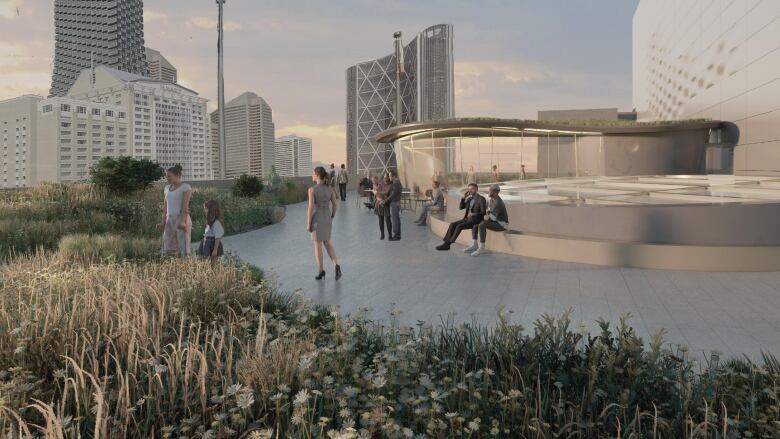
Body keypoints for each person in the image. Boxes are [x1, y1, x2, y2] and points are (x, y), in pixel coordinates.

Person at [307, 166, 342, 280]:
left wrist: (308, 224)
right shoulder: (330, 188)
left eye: (313, 173)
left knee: (318, 245)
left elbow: (311, 208)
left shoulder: (312, 190)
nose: (311, 175)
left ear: (317, 175)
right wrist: (332, 215)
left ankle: (321, 271)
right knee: (328, 243)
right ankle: (336, 265)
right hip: (327, 216)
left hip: (317, 218)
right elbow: (335, 204)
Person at [435, 183, 486, 251]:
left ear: (476, 189)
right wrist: (464, 198)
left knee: (459, 226)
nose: (470, 190)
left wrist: (474, 214)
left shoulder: (481, 199)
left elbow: (483, 212)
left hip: (476, 220)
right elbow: (461, 207)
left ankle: (448, 244)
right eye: (469, 189)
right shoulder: (470, 198)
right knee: (452, 224)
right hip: (467, 219)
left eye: (472, 189)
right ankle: (446, 243)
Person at [156, 164, 192, 256]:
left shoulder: (185, 187)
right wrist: (162, 222)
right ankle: (173, 266)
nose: (167, 178)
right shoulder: (167, 188)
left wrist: (183, 221)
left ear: (178, 175)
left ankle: (185, 266)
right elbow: (165, 206)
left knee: (182, 246)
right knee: (168, 246)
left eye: (169, 176)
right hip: (169, 219)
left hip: (180, 218)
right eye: (166, 176)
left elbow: (185, 206)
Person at [466, 184, 508, 257]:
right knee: (476, 223)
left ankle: (482, 247)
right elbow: (488, 212)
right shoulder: (492, 199)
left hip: (501, 224)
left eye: (490, 190)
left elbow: (492, 217)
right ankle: (475, 244)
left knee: (482, 224)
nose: (488, 191)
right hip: (495, 221)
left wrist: (483, 215)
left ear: (494, 192)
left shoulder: (498, 203)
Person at [374, 172, 392, 240]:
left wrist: (380, 193)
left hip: (386, 203)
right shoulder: (381, 184)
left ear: (389, 178)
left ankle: (390, 234)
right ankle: (382, 234)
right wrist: (379, 198)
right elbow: (376, 192)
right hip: (380, 203)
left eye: (386, 177)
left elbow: (387, 192)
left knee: (388, 220)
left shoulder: (391, 185)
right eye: (384, 177)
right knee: (380, 219)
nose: (385, 178)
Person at [386, 169, 403, 241]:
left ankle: (396, 235)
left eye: (390, 176)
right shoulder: (397, 183)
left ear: (394, 176)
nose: (389, 177)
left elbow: (392, 195)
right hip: (396, 202)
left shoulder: (396, 183)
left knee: (395, 220)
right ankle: (398, 234)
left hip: (394, 203)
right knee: (397, 219)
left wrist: (385, 201)